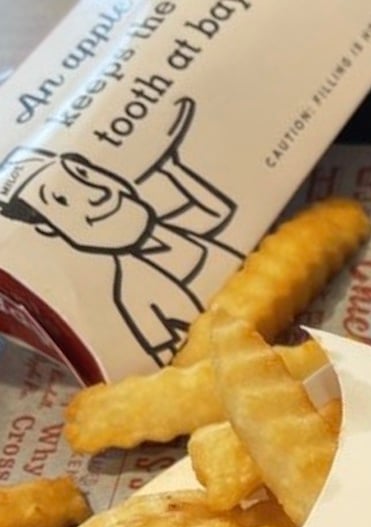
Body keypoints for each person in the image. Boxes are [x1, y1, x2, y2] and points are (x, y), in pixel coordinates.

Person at [0, 97, 242, 366]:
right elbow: (173, 361)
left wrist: (172, 166)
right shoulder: (135, 298)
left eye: (83, 173)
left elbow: (217, 213)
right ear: (47, 228)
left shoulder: (171, 227)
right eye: (61, 199)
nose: (97, 194)